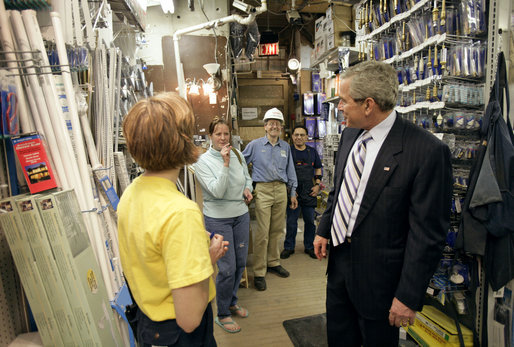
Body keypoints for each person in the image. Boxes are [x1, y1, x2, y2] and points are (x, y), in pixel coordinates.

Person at [313, 61, 453, 346]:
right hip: (338, 267)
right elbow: (341, 188)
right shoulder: (350, 134)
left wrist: (407, 296)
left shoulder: (426, 152)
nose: (339, 107)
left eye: (343, 101)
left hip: (381, 283)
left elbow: (428, 235)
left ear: (368, 105)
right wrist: (324, 227)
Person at [118, 92, 228, 347]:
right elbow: (189, 319)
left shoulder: (132, 193)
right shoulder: (181, 213)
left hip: (149, 327)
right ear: (182, 141)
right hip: (180, 336)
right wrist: (208, 261)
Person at [194, 117, 253, 334]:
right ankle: (222, 314)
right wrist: (225, 163)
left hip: (241, 215)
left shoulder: (237, 154)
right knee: (226, 269)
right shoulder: (201, 162)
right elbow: (217, 191)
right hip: (218, 218)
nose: (222, 138)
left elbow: (247, 178)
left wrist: (248, 189)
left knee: (239, 263)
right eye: (218, 134)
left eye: (226, 133)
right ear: (210, 136)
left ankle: (231, 300)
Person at [242, 107, 298, 291]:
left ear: (281, 128)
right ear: (265, 126)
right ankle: (259, 271)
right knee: (262, 233)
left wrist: (292, 192)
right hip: (263, 190)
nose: (274, 126)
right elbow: (241, 164)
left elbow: (291, 170)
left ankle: (273, 262)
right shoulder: (255, 145)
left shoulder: (285, 148)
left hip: (281, 190)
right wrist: (246, 184)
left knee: (276, 230)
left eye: (278, 124)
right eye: (271, 123)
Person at [280, 125, 322, 260]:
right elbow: (282, 171)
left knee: (310, 221)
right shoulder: (287, 151)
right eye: (296, 135)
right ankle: (289, 247)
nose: (299, 137)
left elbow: (318, 169)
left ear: (306, 137)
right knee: (291, 221)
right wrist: (290, 189)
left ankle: (309, 246)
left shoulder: (312, 152)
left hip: (309, 190)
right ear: (292, 137)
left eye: (302, 135)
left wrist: (317, 185)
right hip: (293, 191)